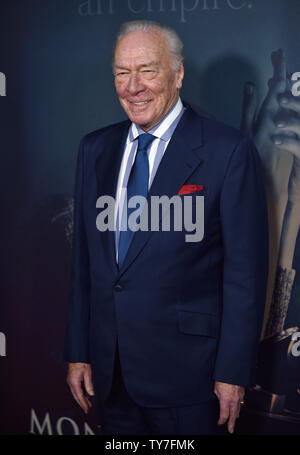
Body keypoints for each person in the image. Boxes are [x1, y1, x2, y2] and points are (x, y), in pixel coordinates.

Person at [65, 20, 269, 435]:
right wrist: (79, 351)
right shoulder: (95, 149)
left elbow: (245, 275)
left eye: (147, 70)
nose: (133, 86)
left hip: (191, 380)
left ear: (177, 74)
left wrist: (233, 372)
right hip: (112, 374)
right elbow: (85, 263)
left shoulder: (227, 152)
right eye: (122, 73)